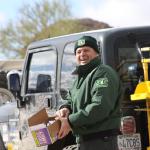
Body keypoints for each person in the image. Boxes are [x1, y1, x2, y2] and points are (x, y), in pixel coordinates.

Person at [56, 36, 122, 150]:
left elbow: (100, 107)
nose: (82, 54)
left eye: (86, 50)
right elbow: (71, 99)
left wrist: (70, 121)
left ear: (96, 53)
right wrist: (66, 108)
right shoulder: (80, 78)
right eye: (78, 51)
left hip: (101, 142)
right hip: (85, 140)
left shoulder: (103, 73)